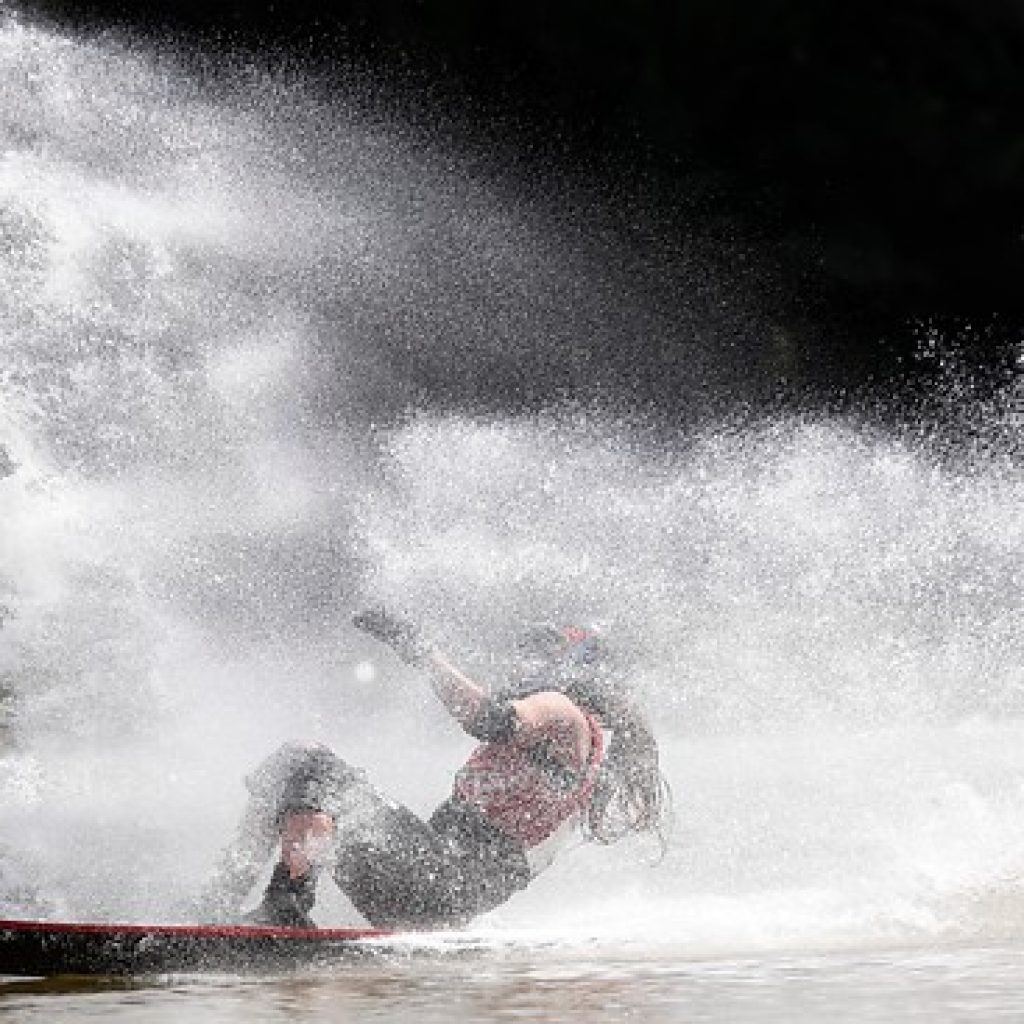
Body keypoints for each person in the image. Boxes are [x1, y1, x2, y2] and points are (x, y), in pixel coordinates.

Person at [198, 611, 671, 931]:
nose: (525, 664)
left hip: (437, 883)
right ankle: (236, 905)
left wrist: (418, 649)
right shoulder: (585, 748)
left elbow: (488, 718)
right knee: (303, 774)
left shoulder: (561, 711)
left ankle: (272, 904)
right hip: (439, 900)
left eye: (539, 655)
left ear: (576, 669)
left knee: (306, 760)